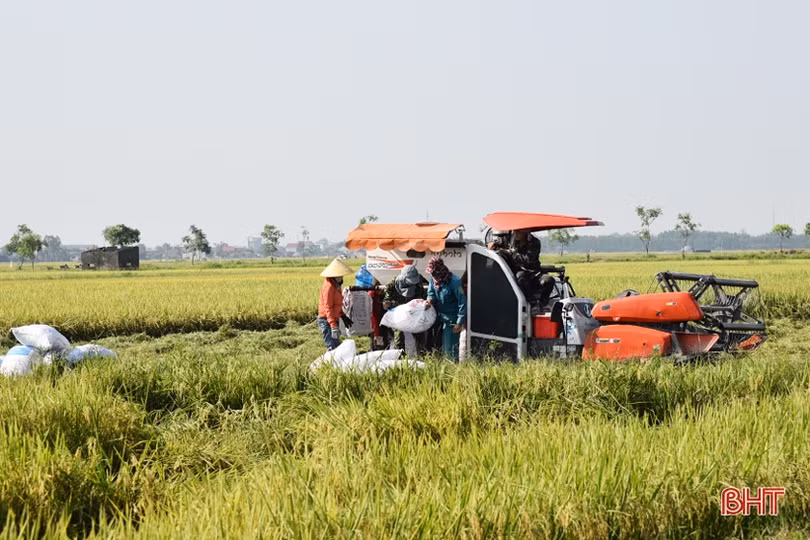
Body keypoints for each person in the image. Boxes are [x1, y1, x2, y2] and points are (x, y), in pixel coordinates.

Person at [424, 256, 466, 361]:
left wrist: (459, 322)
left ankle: (452, 369)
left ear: (440, 271)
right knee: (438, 346)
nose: (433, 276)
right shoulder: (433, 279)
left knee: (450, 348)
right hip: (439, 317)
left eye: (434, 273)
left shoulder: (455, 282)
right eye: (431, 274)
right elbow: (431, 293)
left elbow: (462, 302)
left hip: (452, 320)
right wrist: (429, 301)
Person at [383, 264, 427, 358]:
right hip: (397, 313)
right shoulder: (392, 285)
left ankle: (421, 356)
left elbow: (421, 298)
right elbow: (386, 301)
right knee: (399, 335)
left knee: (420, 332)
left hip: (413, 311)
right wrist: (388, 304)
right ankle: (399, 358)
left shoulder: (418, 284)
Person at [317, 258, 354, 350]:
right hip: (326, 320)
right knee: (332, 346)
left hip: (333, 318)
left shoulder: (337, 286)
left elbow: (337, 304)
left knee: (337, 346)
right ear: (334, 276)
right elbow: (328, 307)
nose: (342, 278)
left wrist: (343, 316)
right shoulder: (329, 287)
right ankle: (328, 363)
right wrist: (333, 325)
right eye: (340, 276)